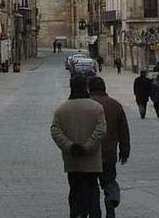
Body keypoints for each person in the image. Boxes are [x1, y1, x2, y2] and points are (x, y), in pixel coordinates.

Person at [51, 75, 107, 218]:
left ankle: (77, 214)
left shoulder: (61, 110)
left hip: (72, 160)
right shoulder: (96, 108)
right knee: (93, 190)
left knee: (75, 190)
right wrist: (87, 146)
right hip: (92, 160)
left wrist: (70, 146)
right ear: (86, 87)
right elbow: (101, 130)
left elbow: (55, 131)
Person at [88, 77, 130, 217]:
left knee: (92, 186)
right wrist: (125, 151)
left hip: (90, 154)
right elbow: (124, 130)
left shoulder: (87, 105)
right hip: (109, 153)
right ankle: (111, 198)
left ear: (89, 88)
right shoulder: (115, 105)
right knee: (109, 181)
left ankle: (95, 213)